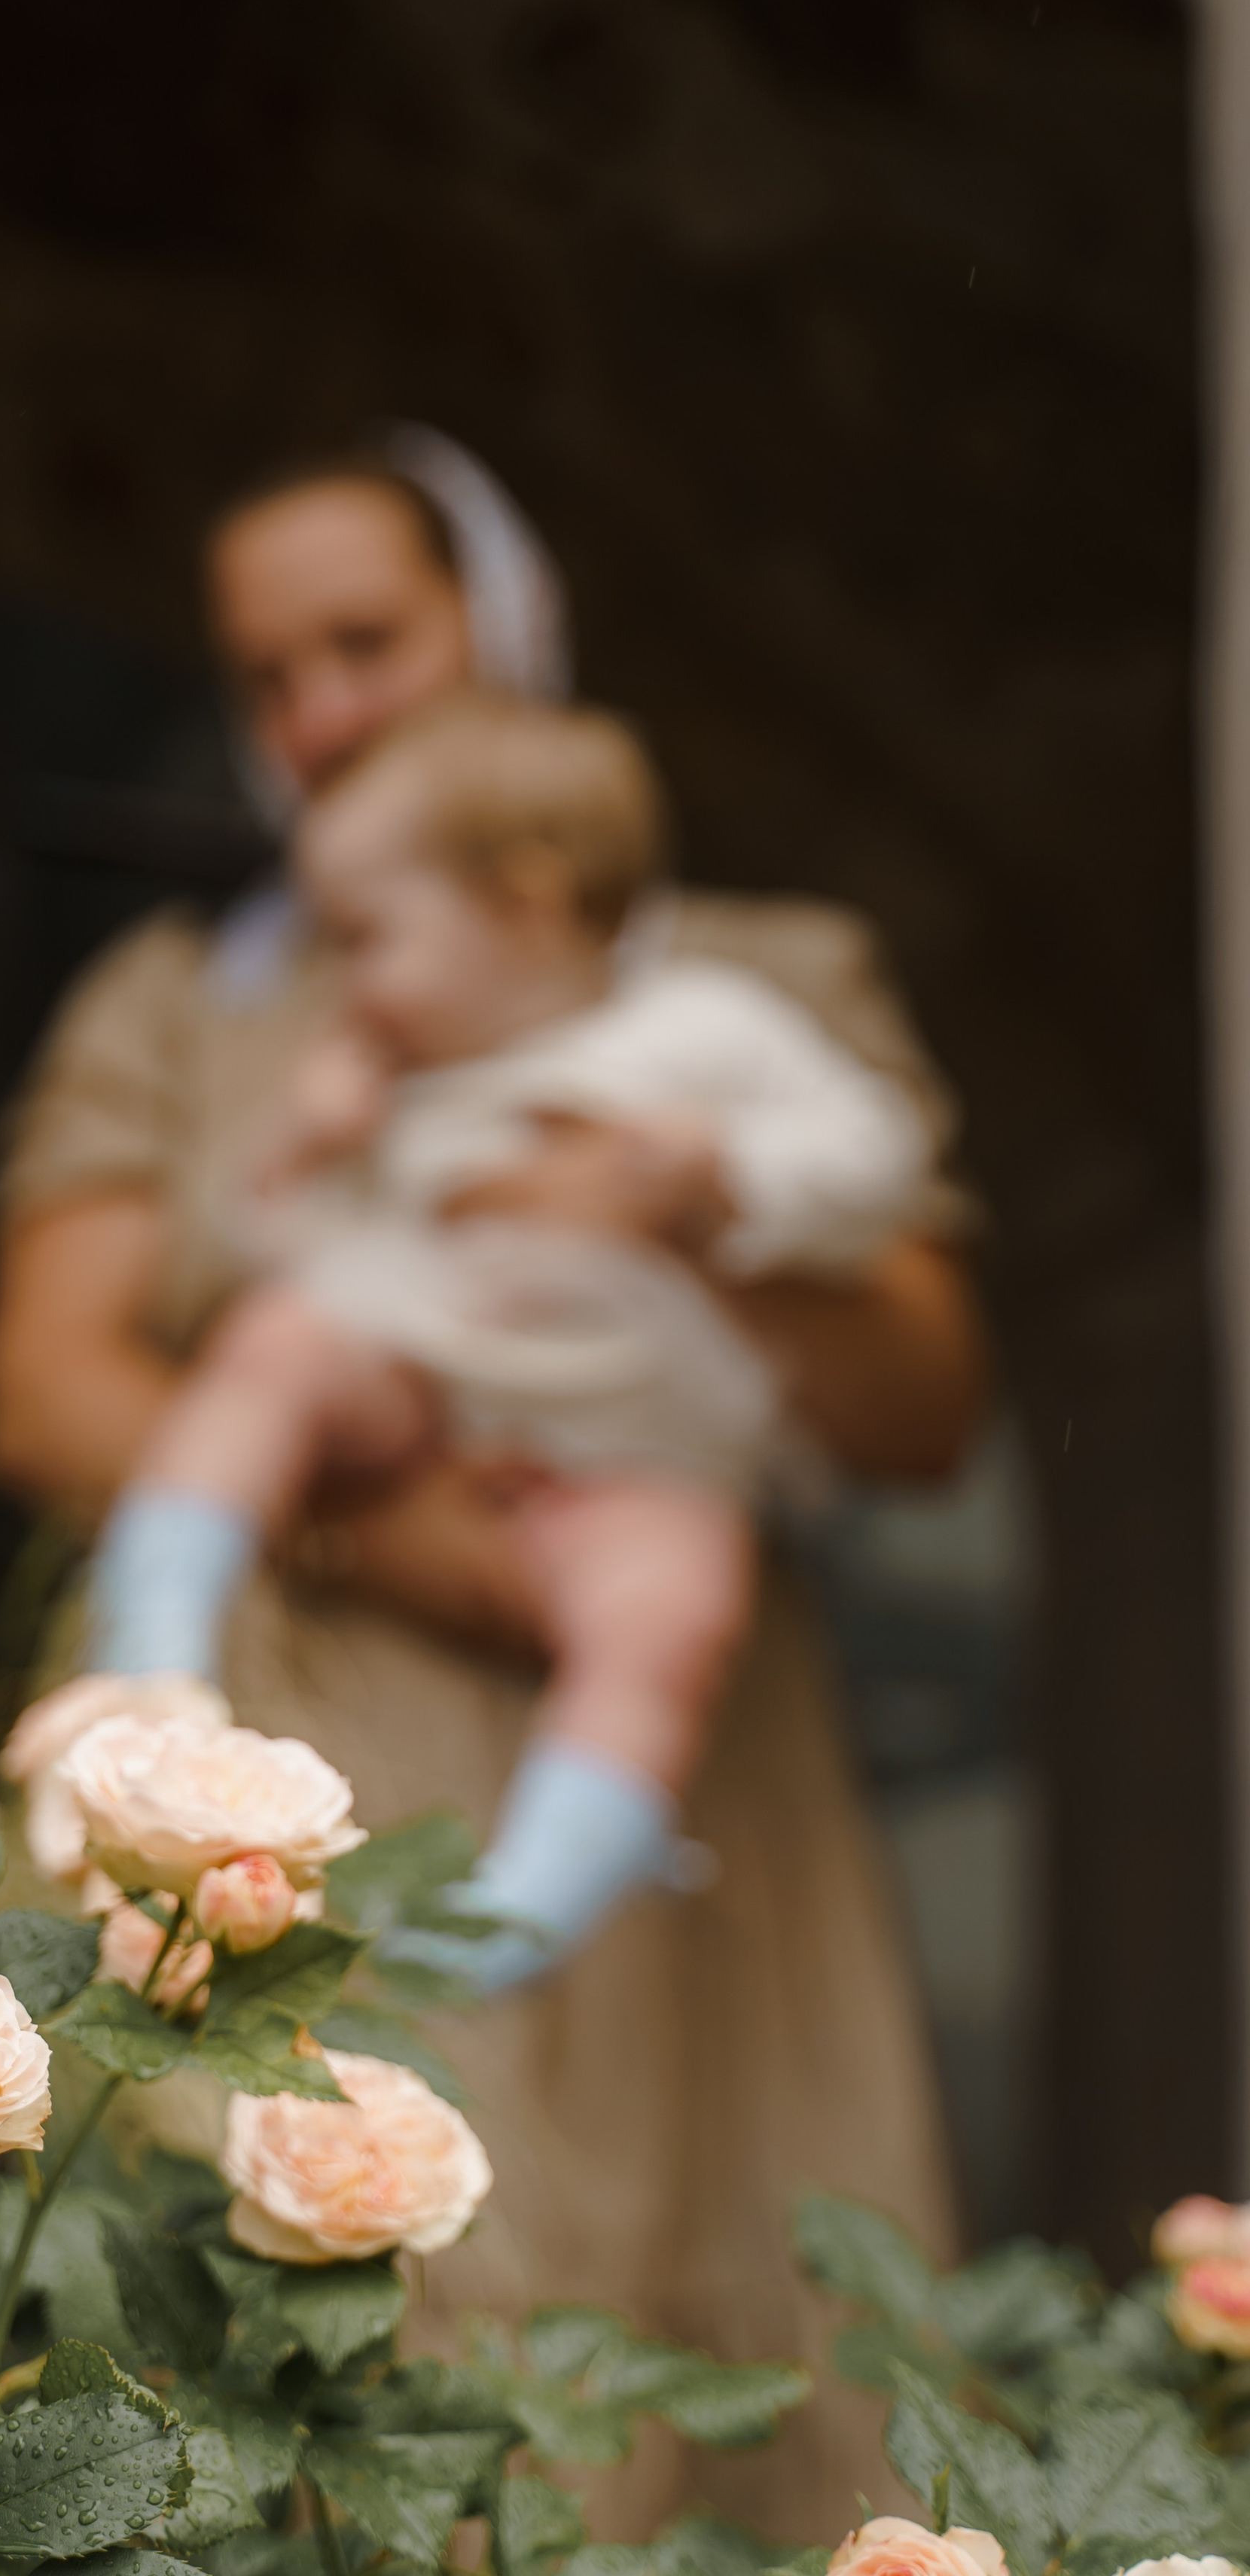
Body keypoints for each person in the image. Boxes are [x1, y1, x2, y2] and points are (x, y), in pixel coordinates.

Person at [0, 434, 987, 2537]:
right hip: (260, 1728)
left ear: (506, 628)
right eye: (269, 677)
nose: (320, 711)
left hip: (645, 1765)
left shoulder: (748, 985)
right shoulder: (199, 1003)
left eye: (369, 641)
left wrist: (666, 1224)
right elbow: (48, 1383)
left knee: (626, 2395)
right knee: (230, 2359)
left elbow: (924, 1401)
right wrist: (397, 1526)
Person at [86, 694, 941, 1996]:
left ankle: (525, 1904)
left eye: (370, 937)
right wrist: (305, 1147)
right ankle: (155, 1633)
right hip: (423, 1385)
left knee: (671, 1622)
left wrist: (725, 1178)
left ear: (526, 907)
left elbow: (879, 1157)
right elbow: (277, 1251)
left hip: (636, 1450)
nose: (348, 980)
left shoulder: (703, 1029)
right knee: (277, 1345)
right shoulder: (400, 1074)